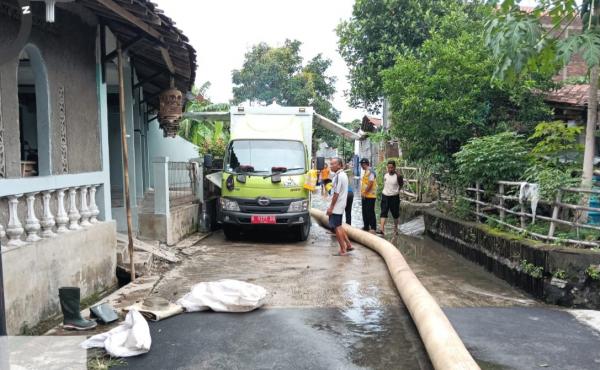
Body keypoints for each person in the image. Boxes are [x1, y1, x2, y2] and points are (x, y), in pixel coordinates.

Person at [327, 157, 354, 256]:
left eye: (333, 164)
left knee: (336, 227)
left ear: (339, 165)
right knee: (339, 225)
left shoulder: (339, 176)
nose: (331, 166)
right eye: (331, 164)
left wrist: (331, 207)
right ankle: (348, 244)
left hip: (337, 206)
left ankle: (343, 249)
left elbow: (336, 194)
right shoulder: (342, 175)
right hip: (341, 204)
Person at [378, 160, 403, 236]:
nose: (390, 169)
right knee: (383, 212)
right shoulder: (385, 175)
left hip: (394, 197)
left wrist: (396, 191)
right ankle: (382, 229)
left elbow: (401, 185)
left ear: (394, 167)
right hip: (385, 196)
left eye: (392, 168)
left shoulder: (398, 176)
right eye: (389, 168)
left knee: (395, 214)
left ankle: (395, 229)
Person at [360, 158, 377, 233]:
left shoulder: (371, 171)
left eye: (361, 164)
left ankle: (373, 227)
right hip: (365, 196)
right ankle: (366, 226)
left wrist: (365, 192)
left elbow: (370, 183)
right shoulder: (366, 172)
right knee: (364, 211)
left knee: (370, 211)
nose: (361, 166)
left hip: (370, 196)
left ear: (364, 164)